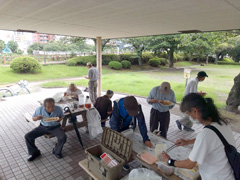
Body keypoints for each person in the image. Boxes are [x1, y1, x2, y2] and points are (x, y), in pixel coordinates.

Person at [161, 93, 236, 180]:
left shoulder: (205, 134)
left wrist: (169, 161)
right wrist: (188, 142)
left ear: (195, 111)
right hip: (228, 174)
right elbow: (213, 140)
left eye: (189, 114)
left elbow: (189, 164)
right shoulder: (222, 124)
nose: (190, 117)